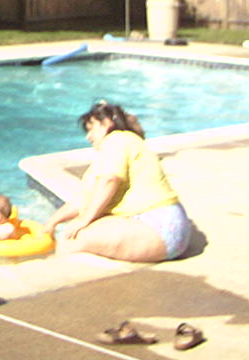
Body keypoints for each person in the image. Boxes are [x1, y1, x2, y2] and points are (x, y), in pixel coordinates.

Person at [43, 101, 191, 262]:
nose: (88, 136)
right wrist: (52, 222)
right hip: (163, 228)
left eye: (91, 128)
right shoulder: (121, 147)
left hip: (158, 227)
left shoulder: (117, 139)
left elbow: (109, 181)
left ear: (106, 123)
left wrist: (84, 220)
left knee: (71, 241)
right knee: (73, 231)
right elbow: (84, 200)